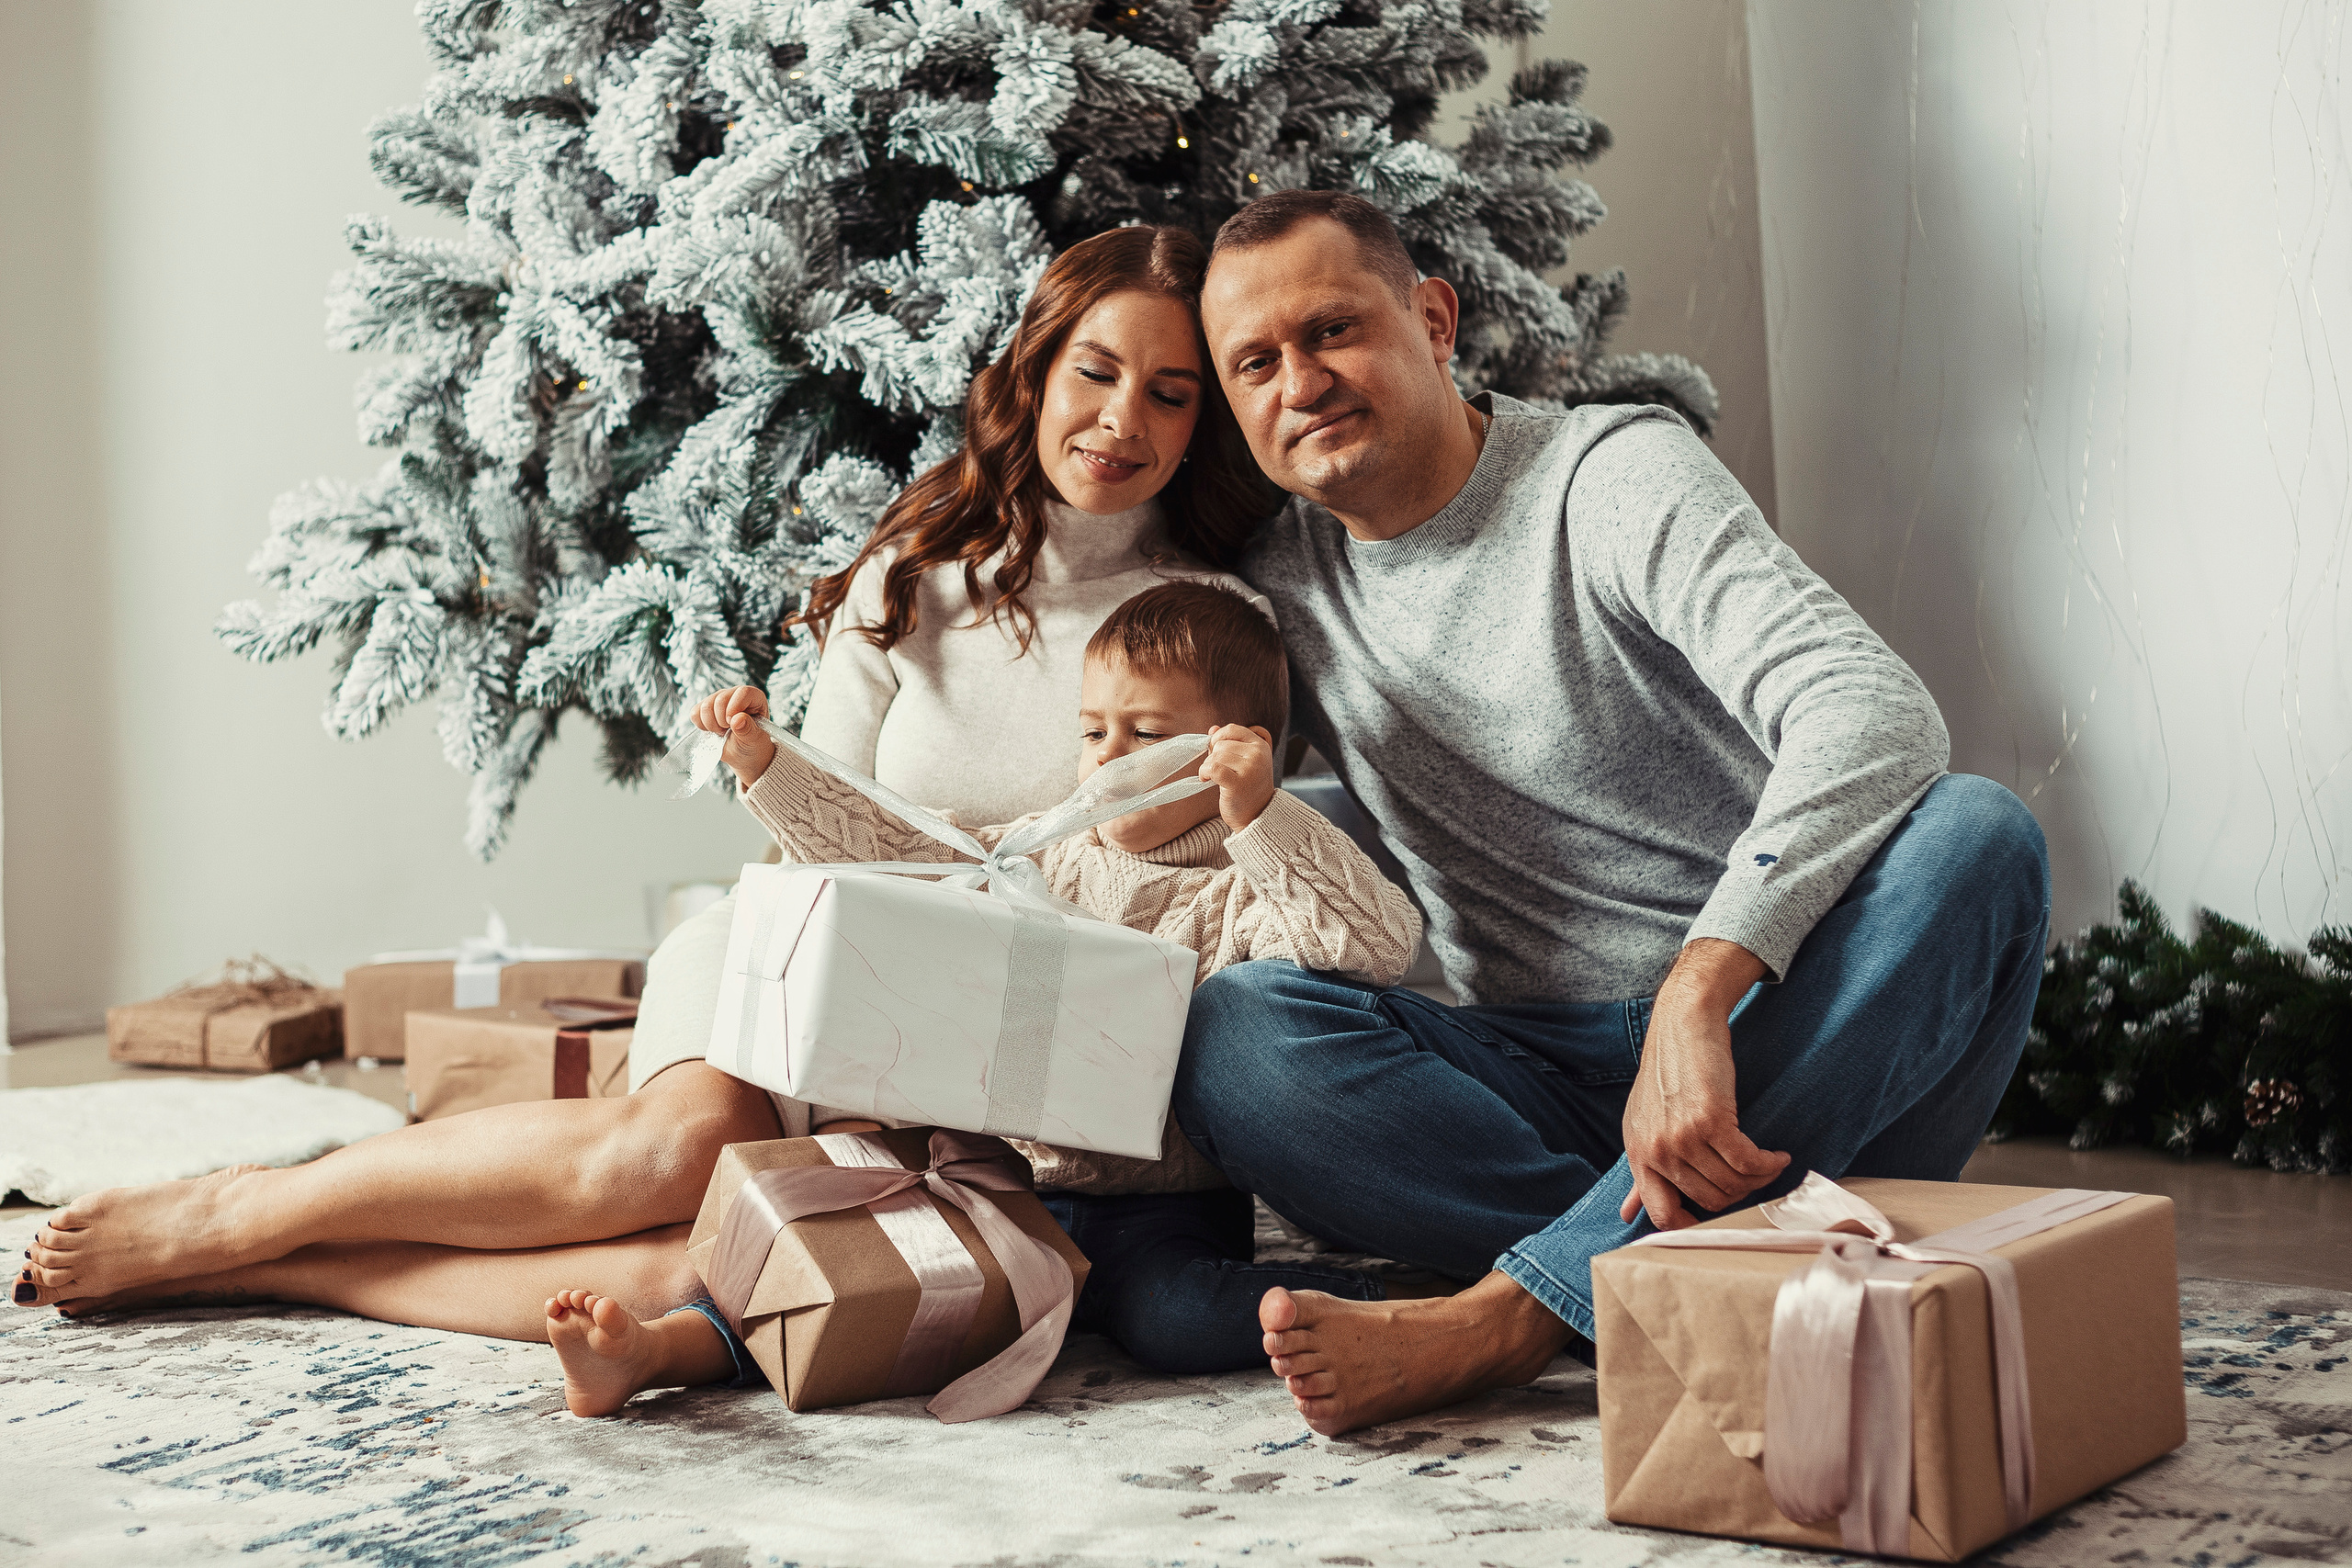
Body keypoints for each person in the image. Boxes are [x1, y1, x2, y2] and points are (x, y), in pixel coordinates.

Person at [13, 226, 1276, 1336]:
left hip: (1001, 1046)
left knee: (711, 1275)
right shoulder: (912, 575)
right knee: (680, 1154)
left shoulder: (1215, 621)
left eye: (1169, 394)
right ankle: (248, 1205)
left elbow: (1198, 874)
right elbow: (811, 827)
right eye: (1096, 373)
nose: (1122, 421)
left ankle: (305, 1268)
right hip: (821, 955)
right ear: (1037, 372)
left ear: (1200, 420)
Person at [1166, 189, 2051, 1436]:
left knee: (1979, 837)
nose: (1299, 381)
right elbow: (1137, 764)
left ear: (1431, 319)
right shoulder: (1278, 592)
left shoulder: (1611, 473)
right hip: (1532, 1077)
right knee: (1238, 1030)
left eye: (1332, 330)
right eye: (1255, 362)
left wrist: (1700, 994)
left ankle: (1516, 1311)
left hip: (1776, 1041)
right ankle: (1688, 1261)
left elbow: (1871, 709)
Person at [543, 581, 1423, 1416]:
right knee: (866, 1275)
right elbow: (897, 845)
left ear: (1232, 748)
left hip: (1164, 1206)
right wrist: (771, 764)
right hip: (1002, 1181)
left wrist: (1264, 814)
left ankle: (1395, 1299)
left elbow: (1376, 943)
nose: (1106, 758)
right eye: (1091, 732)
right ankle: (657, 1353)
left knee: (1172, 1321)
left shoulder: (1250, 888)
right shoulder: (1040, 853)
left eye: (1144, 732)